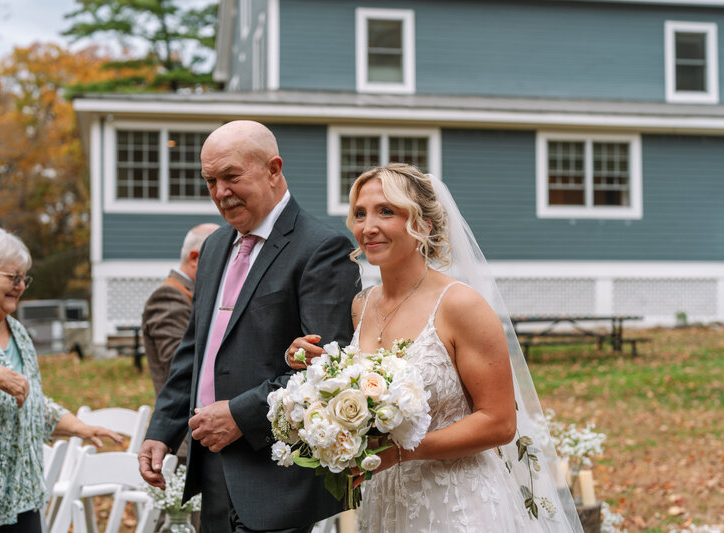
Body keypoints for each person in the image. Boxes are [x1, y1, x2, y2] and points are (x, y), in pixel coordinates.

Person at [286, 164, 583, 532]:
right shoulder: (361, 305)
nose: (368, 227)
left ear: (423, 225)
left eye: (386, 211)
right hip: (385, 502)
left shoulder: (460, 305)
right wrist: (309, 363)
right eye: (360, 214)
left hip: (457, 504)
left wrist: (402, 452)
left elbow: (500, 423)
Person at [138, 120, 360, 533]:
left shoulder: (322, 249)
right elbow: (195, 350)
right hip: (212, 466)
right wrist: (162, 430)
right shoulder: (214, 246)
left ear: (274, 169)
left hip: (275, 475)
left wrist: (241, 415)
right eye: (210, 181)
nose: (220, 192)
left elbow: (328, 370)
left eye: (231, 176)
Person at [0, 225, 122, 533]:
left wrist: (79, 427)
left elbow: (30, 402)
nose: (20, 287)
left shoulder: (18, 333)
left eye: (23, 279)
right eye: (12, 277)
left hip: (22, 500)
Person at [143, 222, 219, 396]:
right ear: (195, 258)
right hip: (183, 409)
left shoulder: (196, 293)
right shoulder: (169, 296)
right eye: (220, 258)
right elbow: (179, 365)